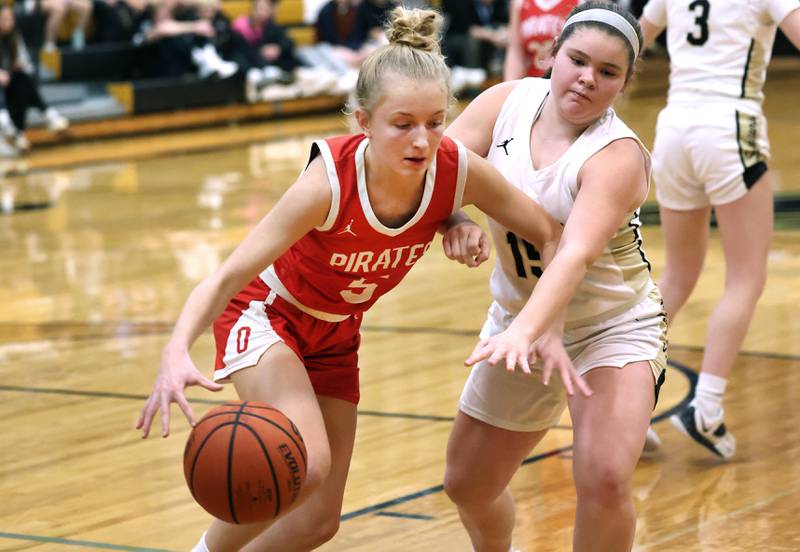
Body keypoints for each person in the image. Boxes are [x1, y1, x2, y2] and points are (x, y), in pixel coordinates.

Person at [135, 7, 580, 552]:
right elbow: (229, 273)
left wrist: (539, 313)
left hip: (338, 335)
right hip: (268, 315)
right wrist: (176, 349)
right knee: (306, 462)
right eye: (402, 124)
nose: (422, 140)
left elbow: (553, 233)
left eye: (436, 122)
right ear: (363, 122)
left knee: (319, 524)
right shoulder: (327, 184)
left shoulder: (455, 169)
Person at [442, 3, 668, 551]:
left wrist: (528, 331)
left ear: (623, 83)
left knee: (605, 477)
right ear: (551, 55)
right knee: (468, 485)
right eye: (578, 60)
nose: (588, 78)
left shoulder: (618, 155)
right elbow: (440, 169)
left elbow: (572, 254)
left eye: (608, 72)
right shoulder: (504, 103)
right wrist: (454, 218)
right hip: (521, 317)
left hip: (611, 328)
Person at [638, 0, 800, 459]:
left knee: (676, 277)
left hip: (672, 128)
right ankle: (705, 407)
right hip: (729, 123)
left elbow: (632, 39)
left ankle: (624, 406)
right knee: (746, 277)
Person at [0, 4, 68, 154]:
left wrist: (16, 66)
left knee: (22, 80)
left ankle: (16, 132)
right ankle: (48, 114)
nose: (9, 21)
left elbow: (26, 66)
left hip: (9, 85)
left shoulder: (14, 37)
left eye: (11, 18)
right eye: (4, 19)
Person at [504, 0, 580, 80]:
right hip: (532, 83)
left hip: (566, 83)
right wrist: (512, 89)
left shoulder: (582, 2)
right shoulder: (519, 2)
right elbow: (515, 52)